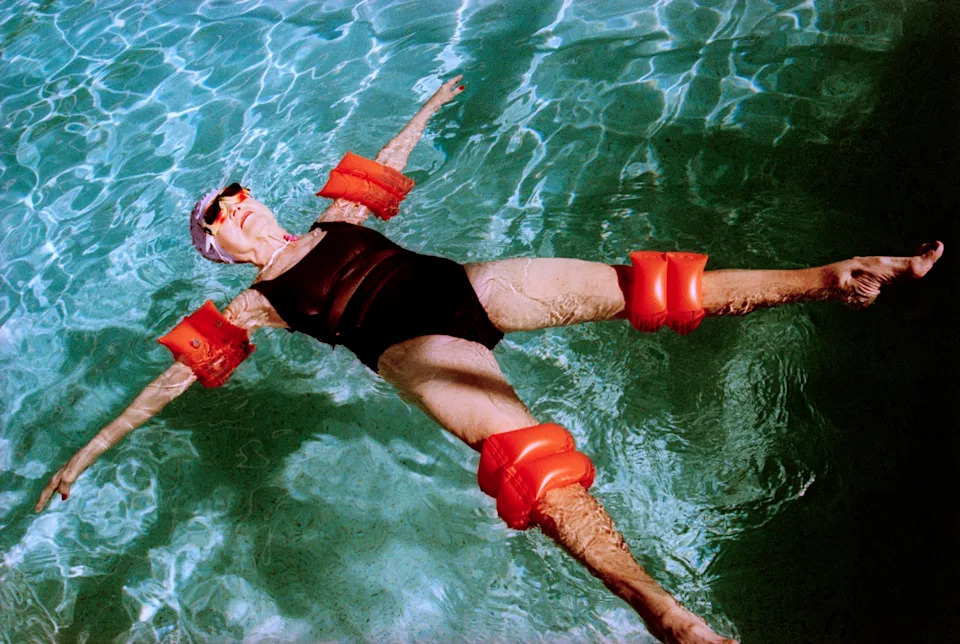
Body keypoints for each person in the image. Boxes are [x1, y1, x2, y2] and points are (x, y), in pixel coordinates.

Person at [33, 75, 943, 644]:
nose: (239, 209)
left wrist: (430, 104)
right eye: (220, 217)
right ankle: (662, 611)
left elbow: (388, 158)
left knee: (645, 284)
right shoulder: (252, 304)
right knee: (532, 469)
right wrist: (85, 453)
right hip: (413, 348)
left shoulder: (335, 217)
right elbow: (167, 384)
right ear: (220, 251)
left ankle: (829, 278)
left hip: (471, 287)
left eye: (238, 195)